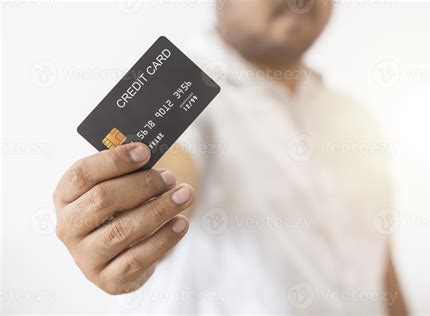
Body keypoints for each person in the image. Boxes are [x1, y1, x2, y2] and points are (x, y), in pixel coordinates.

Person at [53, 0, 408, 314]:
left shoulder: (354, 116)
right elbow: (171, 163)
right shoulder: (192, 100)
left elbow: (379, 260)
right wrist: (124, 219)